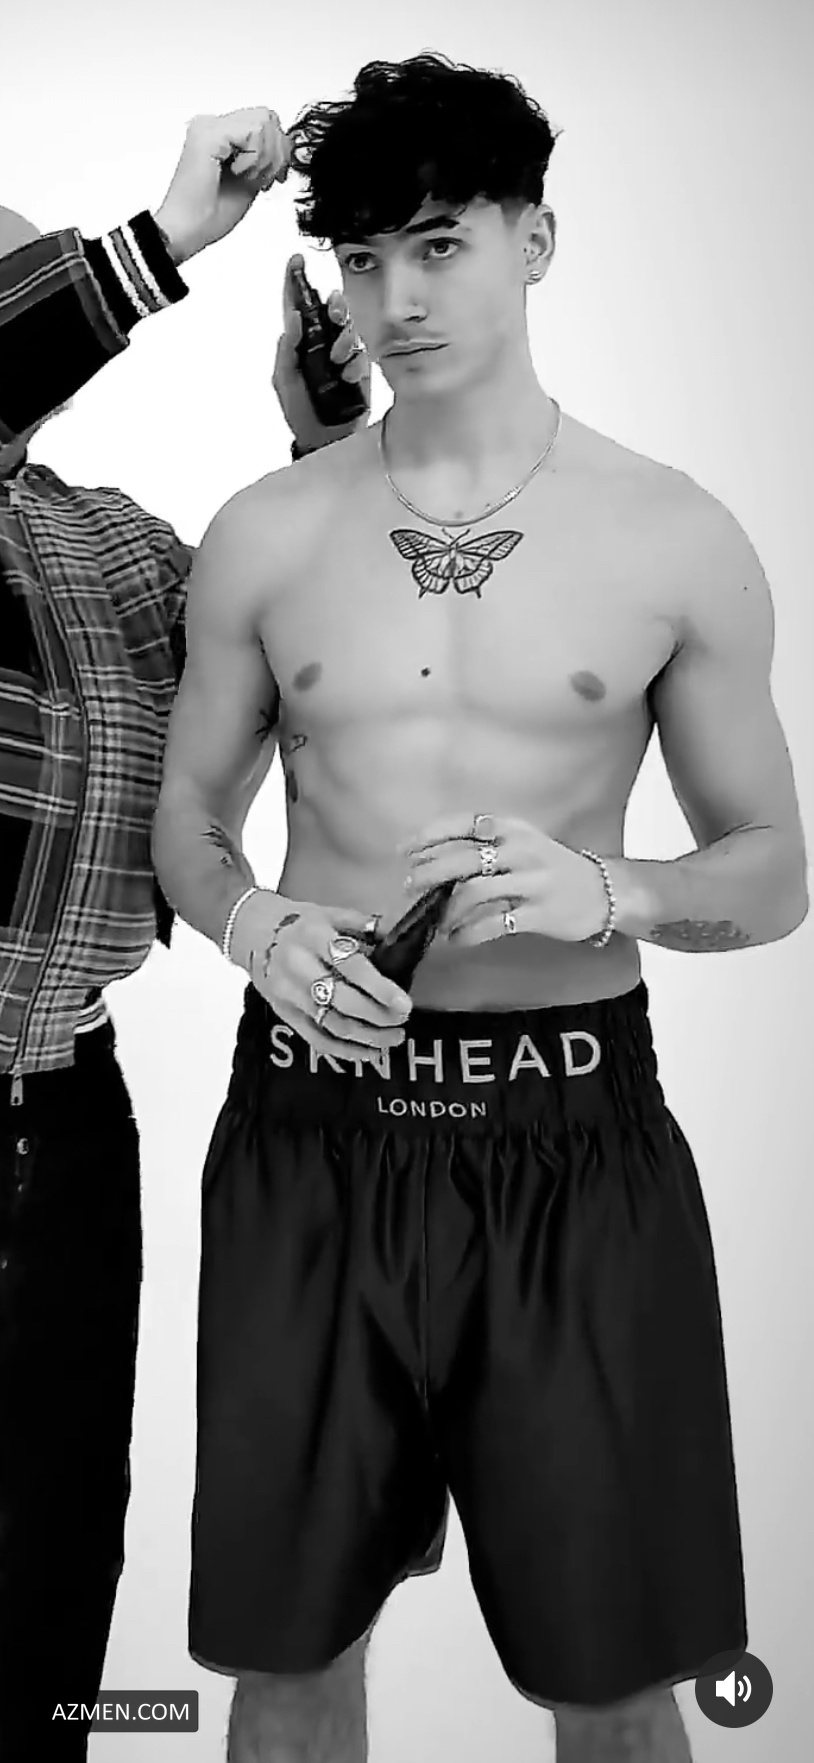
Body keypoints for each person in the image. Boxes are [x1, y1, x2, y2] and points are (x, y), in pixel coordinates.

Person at [152, 54, 808, 1763]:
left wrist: (611, 887)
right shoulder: (267, 533)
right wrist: (252, 927)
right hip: (311, 1128)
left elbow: (773, 869)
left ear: (537, 240)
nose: (397, 300)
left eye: (438, 245)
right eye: (362, 260)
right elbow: (188, 817)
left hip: (571, 1135)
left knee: (614, 1681)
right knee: (284, 1663)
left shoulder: (672, 535)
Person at [0, 106, 368, 1762]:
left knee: (59, 1534)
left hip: (70, 1115)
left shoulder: (109, 541)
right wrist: (161, 238)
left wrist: (320, 445)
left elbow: (291, 645)